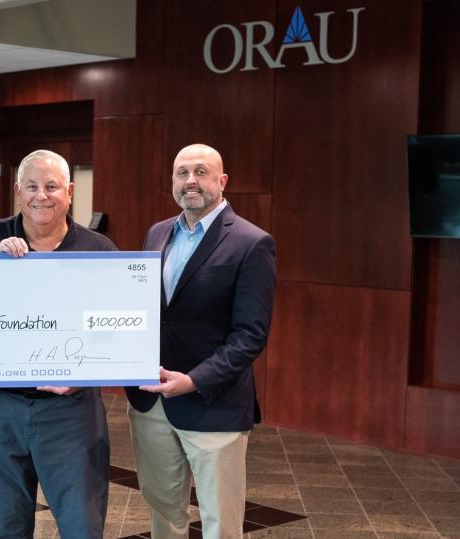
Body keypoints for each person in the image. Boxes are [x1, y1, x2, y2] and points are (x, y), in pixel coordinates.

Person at [126, 144, 276, 539]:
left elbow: (250, 335)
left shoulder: (251, 243)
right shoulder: (157, 233)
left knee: (220, 524)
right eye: (181, 173)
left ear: (221, 181)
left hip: (214, 405)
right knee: (164, 514)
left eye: (201, 172)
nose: (190, 180)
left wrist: (193, 380)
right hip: (152, 402)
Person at [0, 149, 114, 538]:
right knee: (3, 527)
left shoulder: (100, 251)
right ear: (17, 191)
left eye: (51, 186)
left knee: (83, 527)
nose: (41, 195)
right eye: (31, 186)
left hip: (71, 412)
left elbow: (119, 330)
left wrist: (85, 375)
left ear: (70, 191)